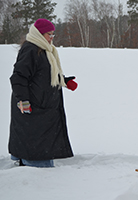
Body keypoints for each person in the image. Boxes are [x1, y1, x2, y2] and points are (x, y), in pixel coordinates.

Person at [9, 18, 78, 167]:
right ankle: (32, 166)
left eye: (53, 34)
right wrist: (23, 100)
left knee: (40, 140)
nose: (52, 38)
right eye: (49, 34)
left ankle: (29, 160)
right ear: (39, 34)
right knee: (35, 142)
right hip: (32, 105)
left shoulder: (46, 50)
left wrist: (64, 81)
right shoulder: (31, 50)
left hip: (43, 104)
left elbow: (46, 74)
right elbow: (18, 77)